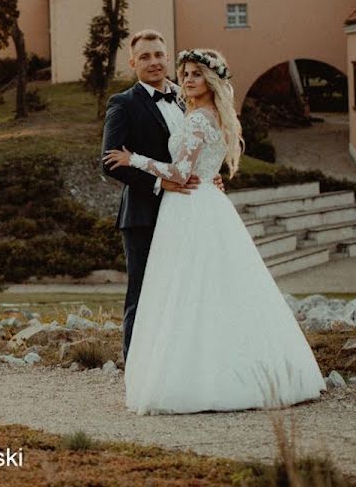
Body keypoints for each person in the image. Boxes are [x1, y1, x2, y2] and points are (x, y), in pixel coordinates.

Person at [103, 49, 325, 415]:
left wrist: (134, 159)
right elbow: (201, 167)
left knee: (189, 291)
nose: (187, 80)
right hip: (207, 203)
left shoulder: (196, 119)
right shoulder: (213, 116)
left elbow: (179, 173)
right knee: (216, 291)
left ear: (212, 81)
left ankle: (195, 378)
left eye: (196, 75)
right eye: (185, 73)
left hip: (189, 207)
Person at [101, 30, 222, 363]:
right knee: (142, 293)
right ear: (132, 63)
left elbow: (197, 150)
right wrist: (158, 185)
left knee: (184, 290)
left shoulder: (188, 99)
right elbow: (110, 162)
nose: (153, 62)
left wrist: (212, 177)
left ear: (167, 57)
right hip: (143, 214)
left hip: (187, 211)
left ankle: (176, 364)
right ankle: (136, 367)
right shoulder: (123, 104)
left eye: (158, 55)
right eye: (145, 57)